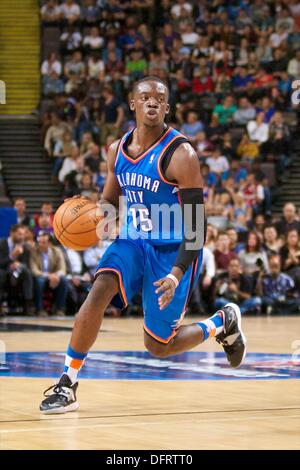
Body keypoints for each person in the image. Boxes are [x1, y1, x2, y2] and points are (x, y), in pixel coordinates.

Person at [40, 77, 246, 414]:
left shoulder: (182, 155)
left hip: (173, 251)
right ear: (133, 104)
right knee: (100, 287)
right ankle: (67, 382)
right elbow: (109, 201)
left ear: (167, 108)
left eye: (159, 99)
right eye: (145, 97)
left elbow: (197, 228)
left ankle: (221, 322)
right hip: (134, 240)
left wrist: (177, 274)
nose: (152, 102)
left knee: (158, 346)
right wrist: (91, 221)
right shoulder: (116, 150)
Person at [30, 232, 69, 317]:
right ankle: (40, 309)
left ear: (50, 243)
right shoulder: (34, 251)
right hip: (41, 277)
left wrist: (56, 276)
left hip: (54, 277)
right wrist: (49, 276)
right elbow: (34, 270)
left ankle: (59, 309)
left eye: (43, 242)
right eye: (39, 242)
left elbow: (62, 269)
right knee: (39, 281)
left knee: (64, 280)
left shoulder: (57, 251)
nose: (40, 244)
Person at [0, 224, 33, 315]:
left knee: (27, 273)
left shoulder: (25, 247)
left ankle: (28, 305)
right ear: (12, 233)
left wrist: (19, 265)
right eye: (19, 234)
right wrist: (12, 257)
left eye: (23, 234)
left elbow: (26, 264)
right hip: (4, 270)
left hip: (18, 272)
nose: (22, 237)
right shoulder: (2, 244)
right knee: (1, 274)